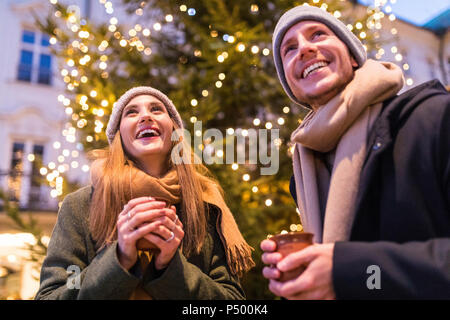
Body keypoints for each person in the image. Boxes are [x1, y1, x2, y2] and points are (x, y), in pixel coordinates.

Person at [261, 5, 450, 299]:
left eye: (318, 34)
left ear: (351, 55)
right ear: (290, 84)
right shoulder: (304, 174)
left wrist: (351, 271)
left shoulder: (433, 118)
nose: (305, 49)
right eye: (289, 49)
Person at [35, 86, 254, 299]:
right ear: (119, 136)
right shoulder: (80, 205)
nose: (145, 116)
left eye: (156, 109)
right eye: (131, 112)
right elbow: (51, 295)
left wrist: (170, 266)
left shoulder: (205, 203)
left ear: (174, 130)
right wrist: (119, 258)